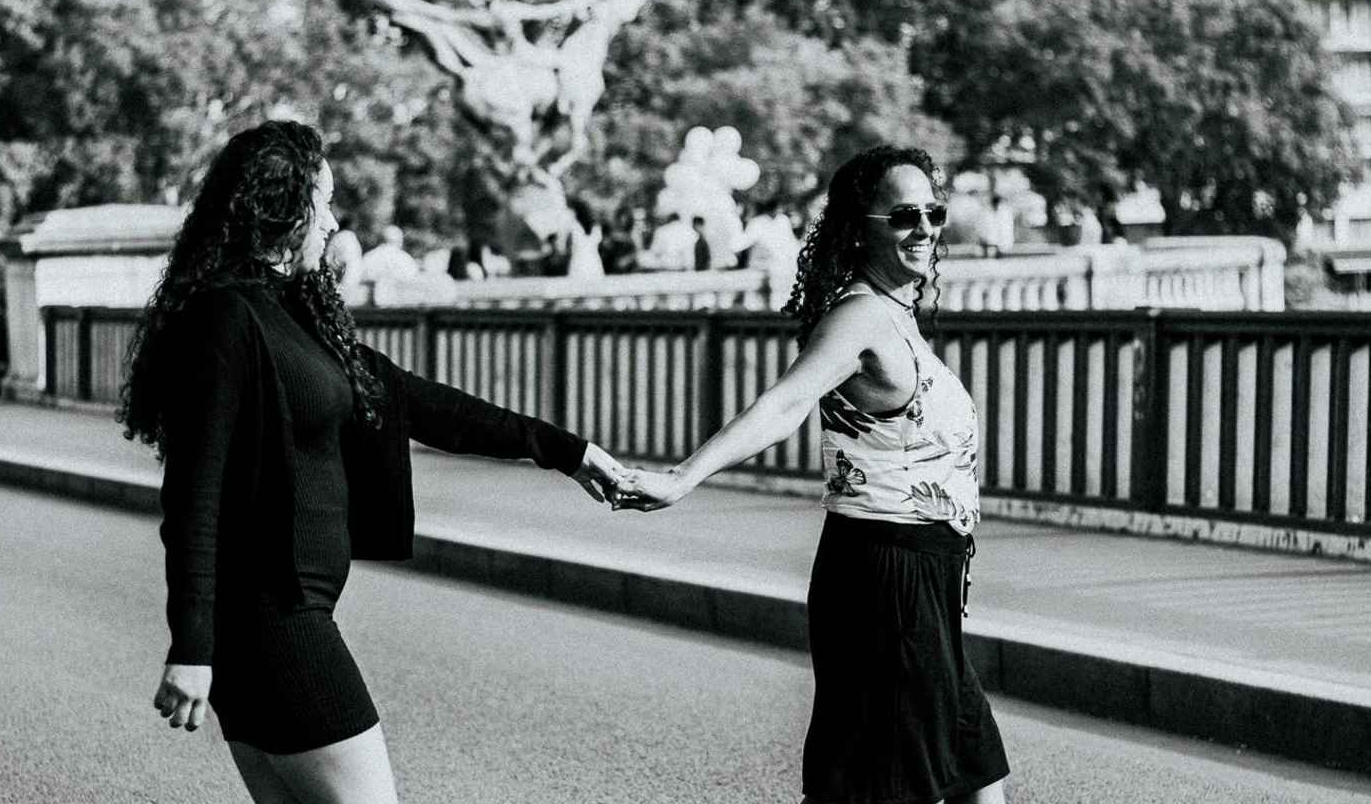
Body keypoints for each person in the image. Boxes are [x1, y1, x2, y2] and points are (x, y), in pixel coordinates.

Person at [118, 121, 629, 804]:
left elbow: (423, 404)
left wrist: (569, 452)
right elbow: (193, 495)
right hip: (272, 621)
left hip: (284, 618)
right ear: (281, 206)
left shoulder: (293, 312)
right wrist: (191, 647)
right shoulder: (227, 318)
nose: (333, 222)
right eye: (323, 202)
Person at [613, 146, 1009, 804]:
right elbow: (785, 403)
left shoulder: (896, 313)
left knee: (977, 772)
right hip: (886, 578)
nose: (924, 228)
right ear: (859, 228)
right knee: (885, 788)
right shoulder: (860, 317)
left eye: (932, 213)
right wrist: (682, 478)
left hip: (923, 575)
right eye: (904, 215)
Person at [567, 199, 606, 279]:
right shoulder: (596, 227)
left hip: (578, 261)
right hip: (594, 261)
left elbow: (568, 248)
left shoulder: (573, 227)